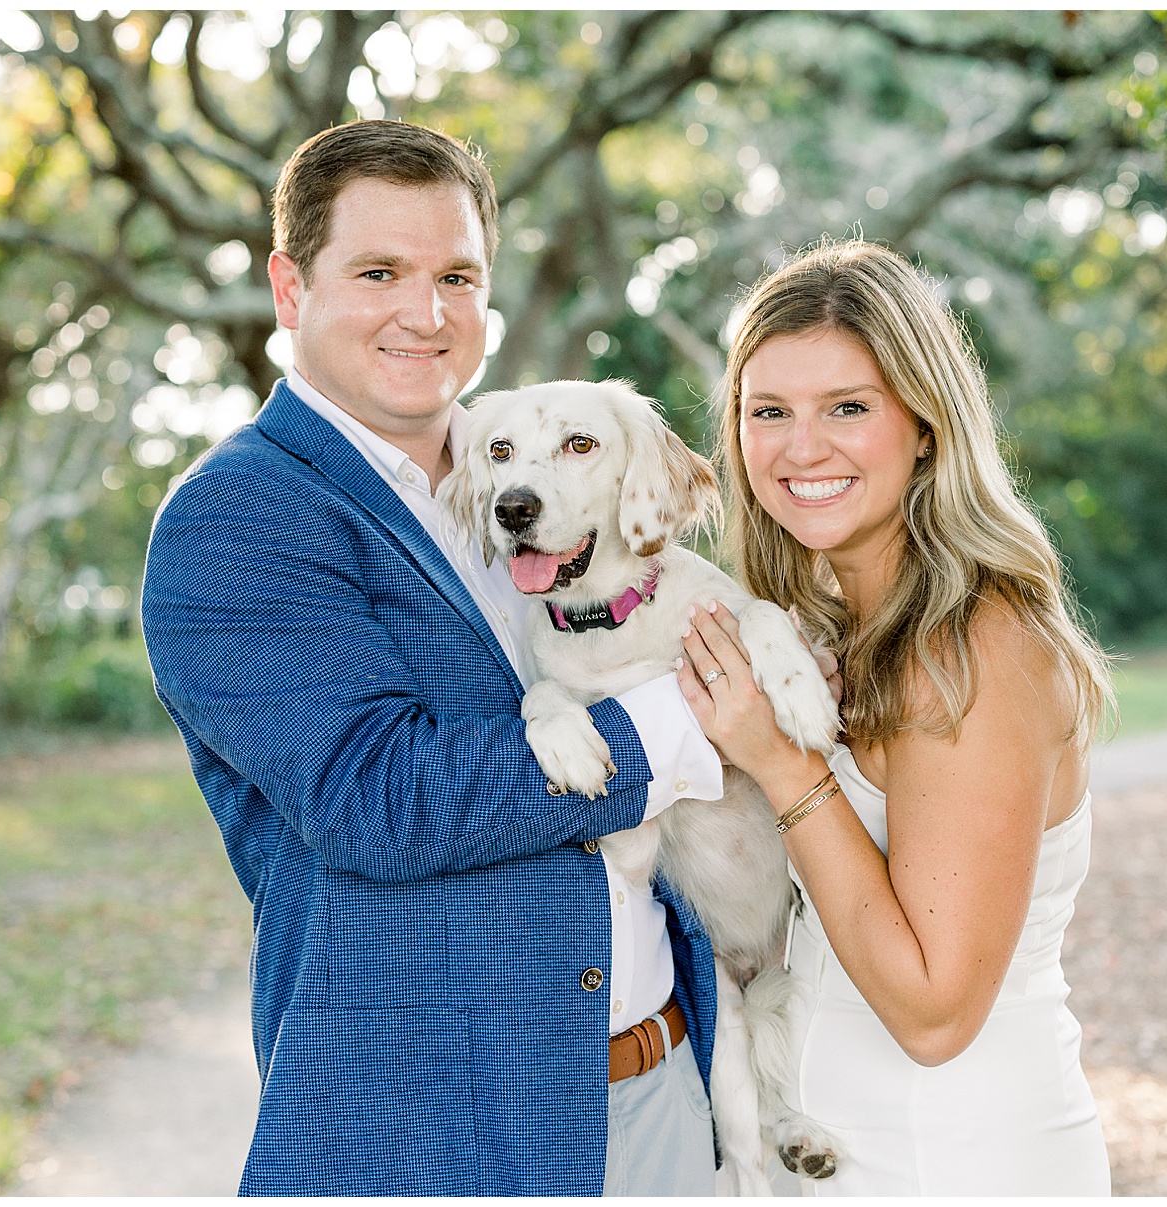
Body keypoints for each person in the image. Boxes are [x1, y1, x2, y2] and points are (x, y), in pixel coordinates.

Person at [140, 120, 727, 1196]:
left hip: (663, 1086)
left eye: (457, 276)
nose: (427, 313)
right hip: (431, 1133)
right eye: (380, 273)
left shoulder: (541, 473)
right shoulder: (236, 517)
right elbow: (379, 798)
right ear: (289, 287)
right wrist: (681, 719)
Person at [675, 240, 1116, 1195]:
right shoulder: (840, 637)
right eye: (768, 411)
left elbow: (934, 1012)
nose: (802, 448)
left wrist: (783, 764)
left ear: (925, 425)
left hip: (955, 1162)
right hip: (834, 1160)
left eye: (847, 407)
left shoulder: (978, 647)